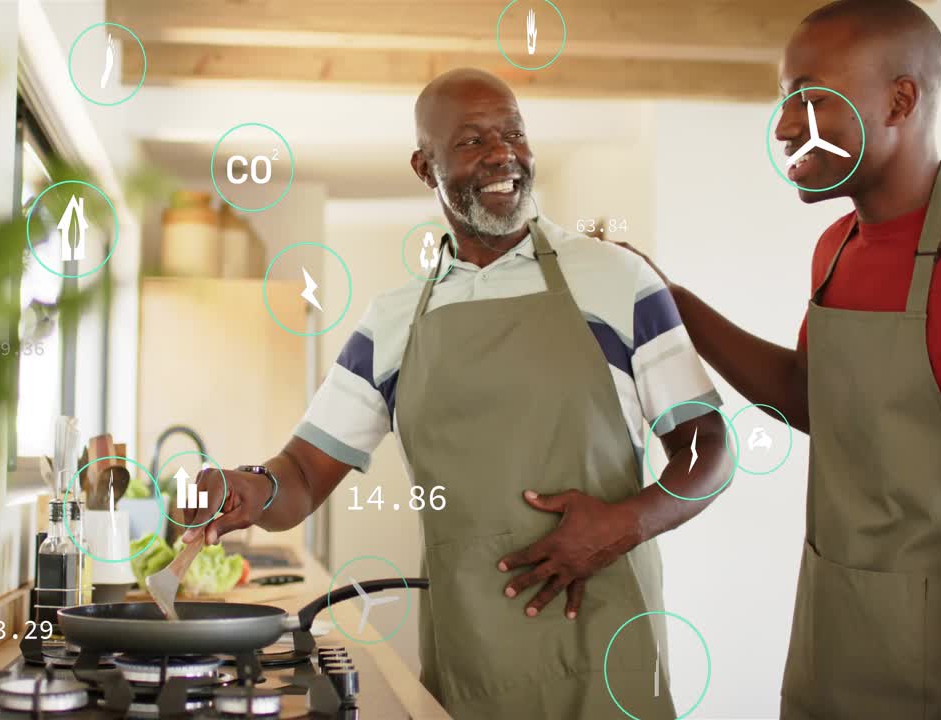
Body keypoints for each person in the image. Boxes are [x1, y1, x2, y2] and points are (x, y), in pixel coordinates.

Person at [181, 68, 733, 719]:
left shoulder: (617, 279)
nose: (503, 154)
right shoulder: (391, 324)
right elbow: (302, 473)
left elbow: (710, 448)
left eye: (514, 134)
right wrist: (252, 488)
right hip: (472, 665)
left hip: (609, 654)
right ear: (425, 166)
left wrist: (625, 523)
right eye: (473, 141)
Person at [617, 1, 941, 717]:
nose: (783, 127)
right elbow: (814, 400)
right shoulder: (835, 248)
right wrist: (671, 297)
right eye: (785, 100)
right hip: (833, 633)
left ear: (901, 99)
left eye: (810, 97)